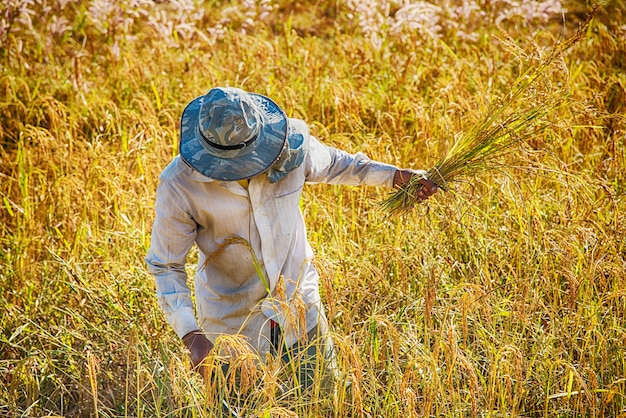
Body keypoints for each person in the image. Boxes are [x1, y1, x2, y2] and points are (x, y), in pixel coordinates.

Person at [145, 86, 437, 396]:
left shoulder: (289, 148)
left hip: (298, 304)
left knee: (323, 400)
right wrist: (192, 336)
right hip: (232, 318)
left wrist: (396, 176)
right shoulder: (179, 184)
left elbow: (340, 164)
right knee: (235, 407)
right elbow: (166, 264)